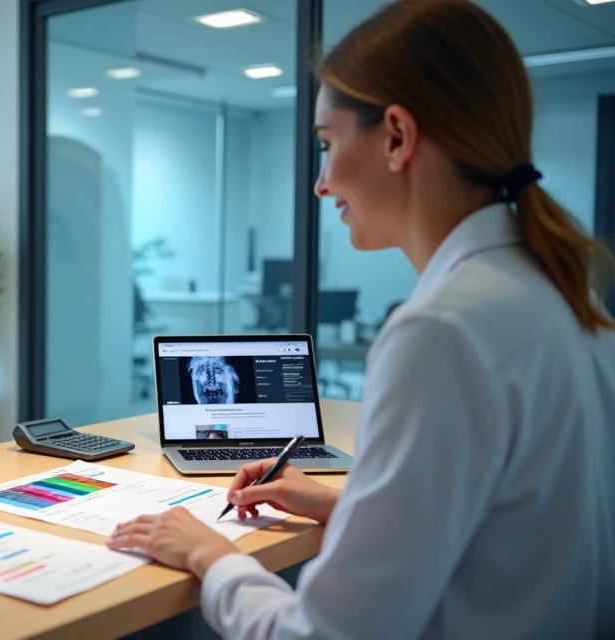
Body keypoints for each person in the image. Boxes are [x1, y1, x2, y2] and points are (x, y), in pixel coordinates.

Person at [107, 1, 615, 637]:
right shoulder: (569, 295)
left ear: (397, 137)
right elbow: (515, 526)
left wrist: (209, 555)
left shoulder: (443, 331)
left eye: (326, 144)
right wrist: (336, 501)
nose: (320, 184)